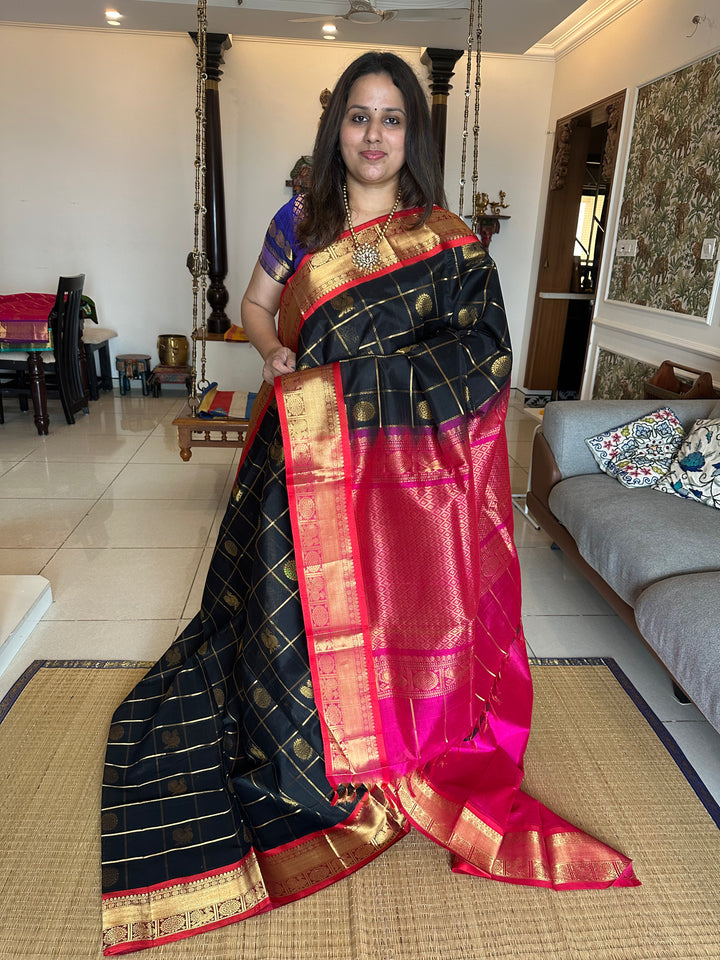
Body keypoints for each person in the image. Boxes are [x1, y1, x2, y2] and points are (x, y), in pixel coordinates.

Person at [100, 51, 638, 955]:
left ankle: (395, 735)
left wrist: (366, 387)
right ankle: (312, 749)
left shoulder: (448, 238)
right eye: (359, 116)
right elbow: (257, 306)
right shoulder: (299, 219)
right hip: (304, 448)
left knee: (393, 601)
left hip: (400, 469)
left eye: (391, 119)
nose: (374, 135)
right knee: (296, 606)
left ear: (410, 135)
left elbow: (484, 356)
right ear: (336, 126)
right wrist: (275, 354)